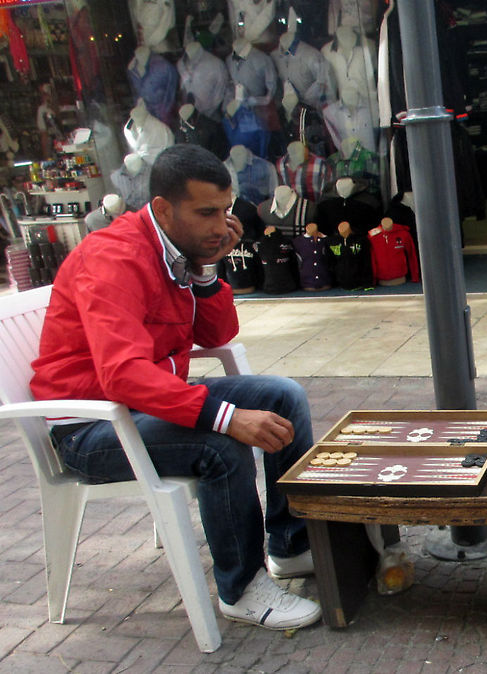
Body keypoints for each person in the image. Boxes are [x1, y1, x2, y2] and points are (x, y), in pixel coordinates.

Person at [30, 144, 321, 631]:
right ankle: (241, 589)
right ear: (163, 209)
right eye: (206, 212)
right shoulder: (114, 258)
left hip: (141, 407)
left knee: (281, 396)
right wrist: (227, 417)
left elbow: (216, 334)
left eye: (226, 210)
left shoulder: (180, 250)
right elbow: (121, 375)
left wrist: (208, 270)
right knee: (219, 444)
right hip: (89, 429)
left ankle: (289, 544)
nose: (220, 224)